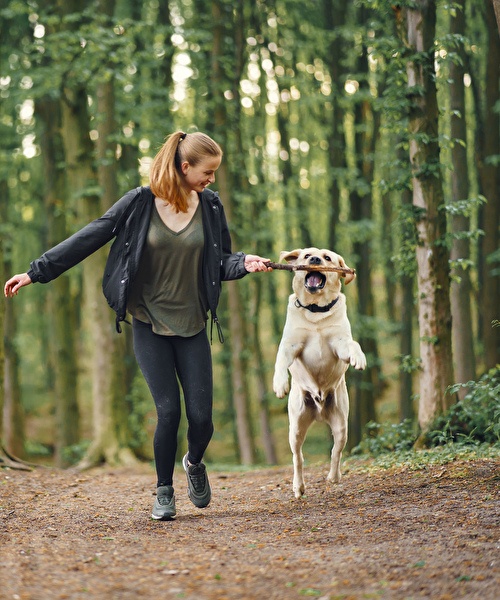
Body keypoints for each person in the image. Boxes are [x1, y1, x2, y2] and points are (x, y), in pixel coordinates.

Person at [4, 130, 272, 521]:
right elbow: (90, 235)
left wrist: (244, 263)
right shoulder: (140, 202)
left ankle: (194, 463)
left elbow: (221, 261)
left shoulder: (210, 206)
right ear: (184, 167)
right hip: (148, 321)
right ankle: (164, 491)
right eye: (207, 172)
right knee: (168, 412)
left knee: (201, 419)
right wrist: (36, 272)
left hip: (193, 322)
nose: (212, 179)